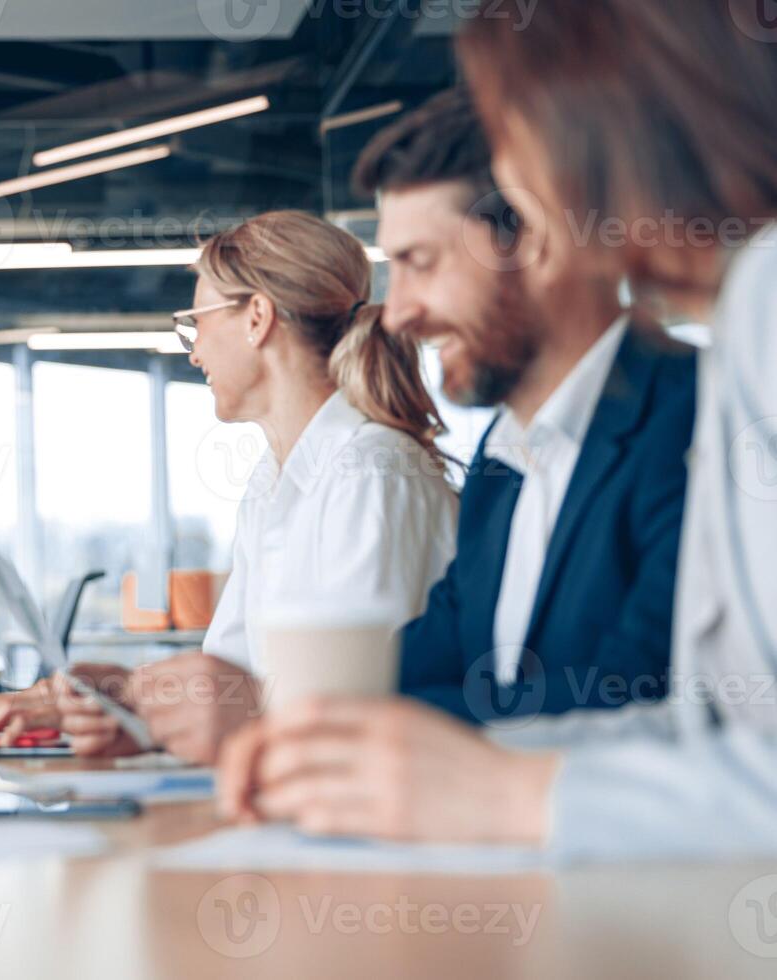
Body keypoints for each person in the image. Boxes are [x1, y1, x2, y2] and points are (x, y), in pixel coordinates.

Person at [216, 0, 777, 862]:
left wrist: (508, 789)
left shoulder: (749, 329)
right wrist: (317, 737)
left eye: (520, 142)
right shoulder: (739, 322)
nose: (525, 190)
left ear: (599, 127)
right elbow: (698, 734)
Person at [43, 210, 460, 763]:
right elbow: (231, 673)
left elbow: (346, 701)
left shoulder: (373, 472)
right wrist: (130, 707)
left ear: (258, 317)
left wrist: (147, 695)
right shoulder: (271, 482)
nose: (192, 352)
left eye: (197, 322)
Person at [355, 88, 696, 725]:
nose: (396, 313)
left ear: (533, 240)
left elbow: (628, 711)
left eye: (420, 264)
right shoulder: (501, 457)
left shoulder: (694, 422)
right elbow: (437, 659)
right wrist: (261, 706)